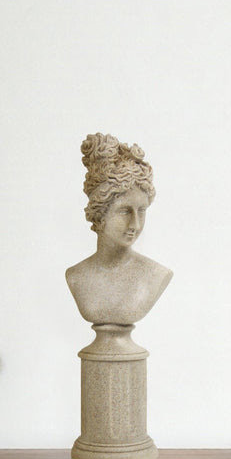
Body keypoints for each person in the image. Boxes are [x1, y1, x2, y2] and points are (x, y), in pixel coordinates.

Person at [66, 133, 173, 326]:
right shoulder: (76, 276)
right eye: (124, 211)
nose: (135, 224)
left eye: (141, 211)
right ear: (100, 213)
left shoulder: (155, 274)